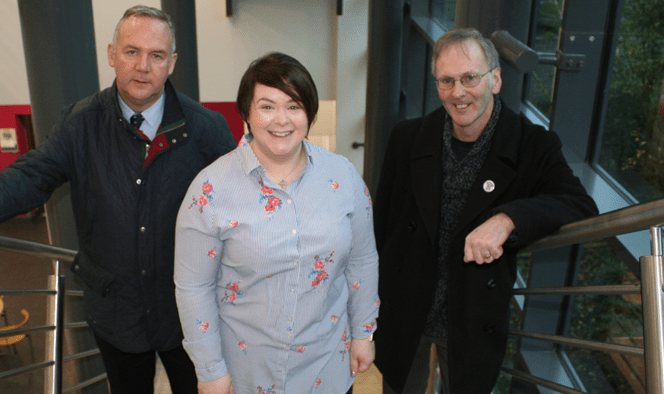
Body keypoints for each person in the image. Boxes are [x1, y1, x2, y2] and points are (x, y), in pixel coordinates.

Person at [0, 5, 236, 394]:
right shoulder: (80, 123)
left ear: (172, 63)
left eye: (157, 55)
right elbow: (32, 173)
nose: (143, 66)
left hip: (189, 315)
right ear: (112, 54)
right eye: (132, 52)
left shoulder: (206, 129)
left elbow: (238, 206)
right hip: (116, 312)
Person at [373, 28, 598, 394]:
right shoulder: (408, 138)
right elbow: (381, 227)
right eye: (446, 81)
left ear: (495, 79)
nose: (458, 93)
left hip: (471, 315)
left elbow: (579, 204)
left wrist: (507, 220)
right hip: (407, 307)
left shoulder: (532, 145)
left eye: (469, 78)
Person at [174, 52, 379, 394]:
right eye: (267, 106)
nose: (281, 120)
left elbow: (362, 261)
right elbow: (194, 287)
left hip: (327, 365)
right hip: (246, 371)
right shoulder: (210, 189)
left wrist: (363, 333)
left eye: (294, 106)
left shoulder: (342, 176)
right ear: (247, 113)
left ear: (309, 114)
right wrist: (210, 369)